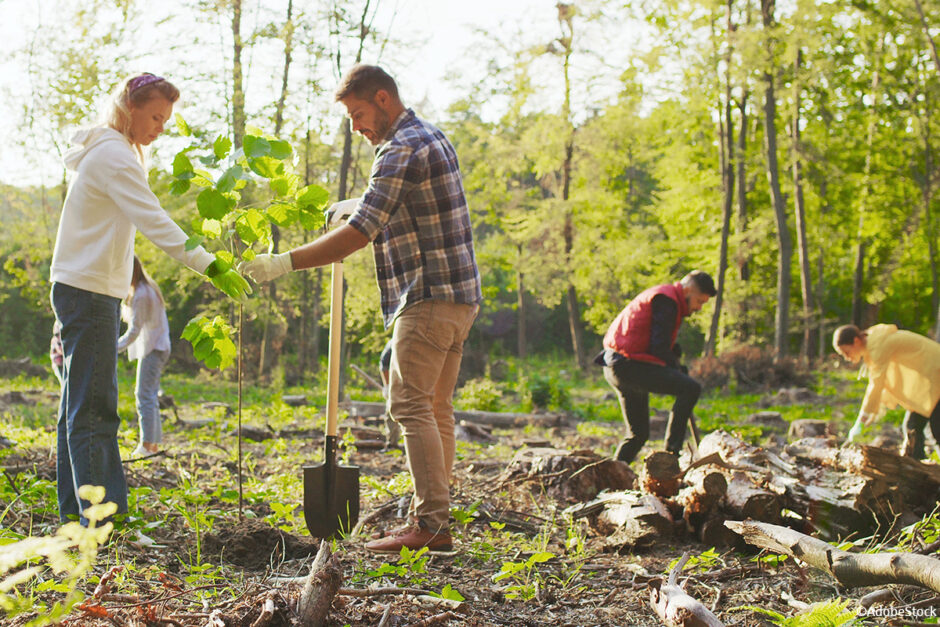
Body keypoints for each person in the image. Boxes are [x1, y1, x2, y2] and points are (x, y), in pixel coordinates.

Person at [241, 64, 482, 553]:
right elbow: (403, 200)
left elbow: (358, 235)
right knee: (436, 408)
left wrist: (282, 264)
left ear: (383, 98)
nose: (355, 126)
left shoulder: (399, 148)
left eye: (357, 113)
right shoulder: (429, 135)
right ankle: (436, 515)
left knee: (410, 405)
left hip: (427, 296)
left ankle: (431, 525)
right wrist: (358, 200)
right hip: (460, 298)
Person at [50, 72, 251, 525]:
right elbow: (155, 221)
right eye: (156, 116)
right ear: (129, 107)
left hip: (83, 287)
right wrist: (212, 265)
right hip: (90, 292)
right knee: (95, 407)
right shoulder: (115, 157)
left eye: (166, 118)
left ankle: (76, 517)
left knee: (77, 405)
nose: (161, 126)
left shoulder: (107, 151)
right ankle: (99, 522)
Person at [595, 270, 716, 464]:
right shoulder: (667, 300)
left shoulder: (664, 296)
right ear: (688, 289)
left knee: (638, 435)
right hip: (628, 365)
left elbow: (658, 340)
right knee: (690, 388)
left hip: (615, 366)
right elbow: (658, 346)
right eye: (699, 301)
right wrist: (675, 367)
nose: (699, 308)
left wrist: (675, 361)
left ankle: (613, 476)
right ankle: (671, 457)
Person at [834, 324, 940, 459]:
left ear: (856, 341)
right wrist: (870, 415)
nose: (847, 357)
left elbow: (876, 384)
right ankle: (918, 469)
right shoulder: (874, 343)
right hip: (931, 384)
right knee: (912, 428)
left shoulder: (878, 345)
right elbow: (883, 383)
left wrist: (861, 420)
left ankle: (923, 470)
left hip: (936, 376)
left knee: (937, 430)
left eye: (846, 352)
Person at [118, 256, 172, 457]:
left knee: (144, 396)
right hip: (158, 346)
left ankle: (147, 445)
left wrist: (115, 347)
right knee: (149, 395)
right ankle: (153, 445)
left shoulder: (142, 294)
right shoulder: (148, 290)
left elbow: (134, 330)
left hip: (154, 348)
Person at [379, 339, 402, 449]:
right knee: (392, 410)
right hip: (395, 379)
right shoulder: (393, 345)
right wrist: (387, 386)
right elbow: (384, 366)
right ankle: (392, 443)